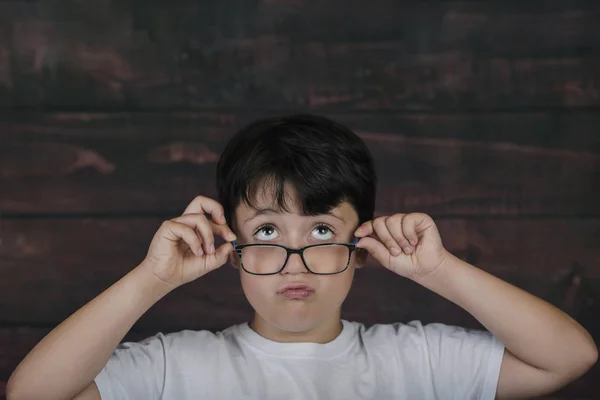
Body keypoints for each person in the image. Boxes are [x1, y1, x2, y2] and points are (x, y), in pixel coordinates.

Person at [7, 115, 597, 400]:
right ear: (231, 249)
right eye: (266, 230)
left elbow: (568, 357)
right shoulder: (174, 367)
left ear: (359, 248)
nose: (294, 260)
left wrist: (439, 268)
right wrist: (148, 281)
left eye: (320, 230)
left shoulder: (418, 359)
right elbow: (31, 396)